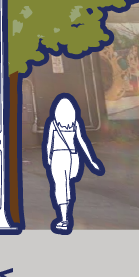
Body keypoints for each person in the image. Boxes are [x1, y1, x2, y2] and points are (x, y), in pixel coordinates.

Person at [43, 94, 104, 234]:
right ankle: (67, 215)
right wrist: (92, 161)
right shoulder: (74, 124)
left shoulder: (53, 124)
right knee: (68, 185)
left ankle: (64, 219)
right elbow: (82, 142)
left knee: (60, 186)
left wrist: (48, 159)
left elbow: (48, 143)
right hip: (72, 156)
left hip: (58, 156)